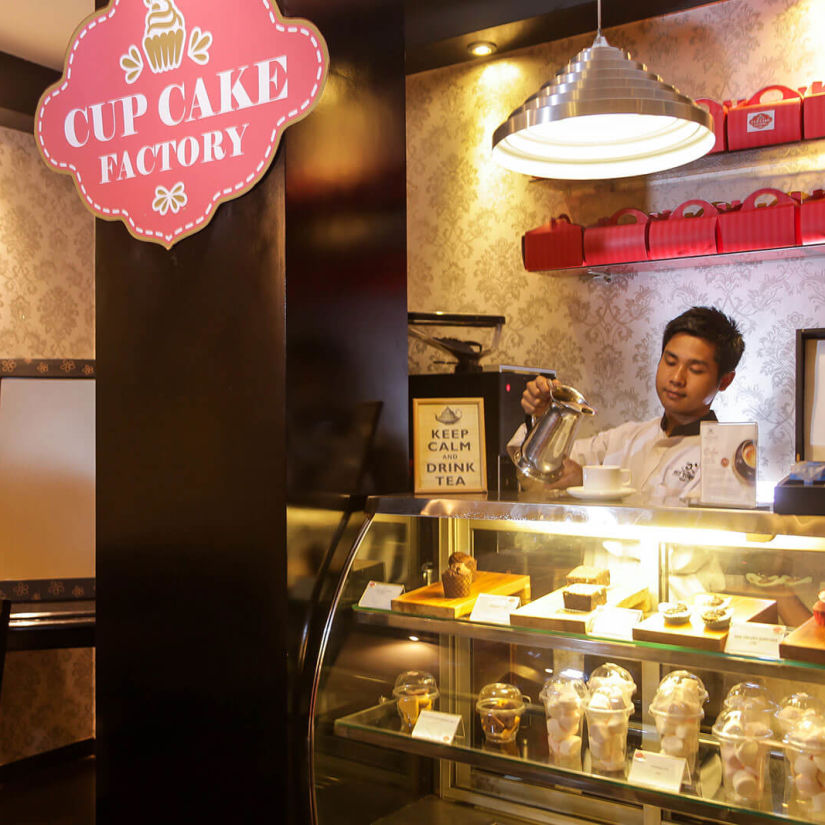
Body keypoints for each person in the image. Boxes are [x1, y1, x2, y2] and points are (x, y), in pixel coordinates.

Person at [513, 305, 745, 506]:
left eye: (695, 369)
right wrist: (546, 421)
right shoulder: (623, 438)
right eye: (670, 361)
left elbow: (700, 532)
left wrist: (590, 483)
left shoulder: (727, 459)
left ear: (725, 380)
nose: (676, 377)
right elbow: (534, 473)